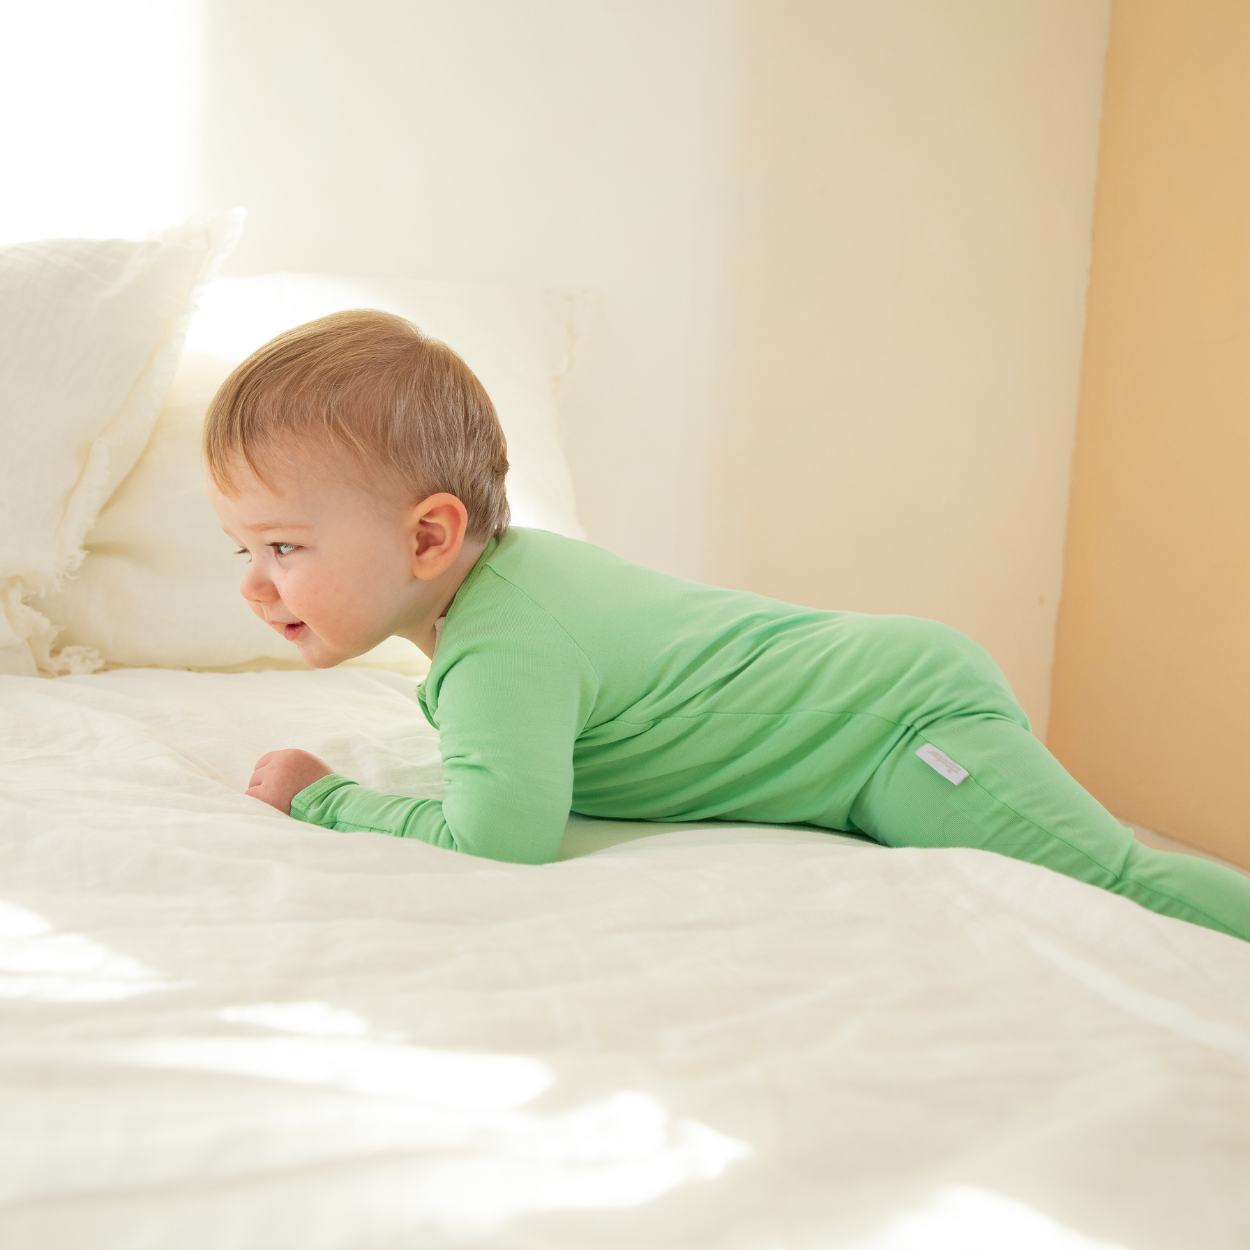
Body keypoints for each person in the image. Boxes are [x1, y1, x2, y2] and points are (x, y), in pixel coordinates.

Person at [204, 309, 1250, 943]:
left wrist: (327, 798)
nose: (255, 584)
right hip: (862, 728)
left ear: (430, 536)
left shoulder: (502, 648)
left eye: (283, 546)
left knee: (1111, 879)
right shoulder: (508, 595)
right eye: (239, 549)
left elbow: (497, 840)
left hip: (896, 729)